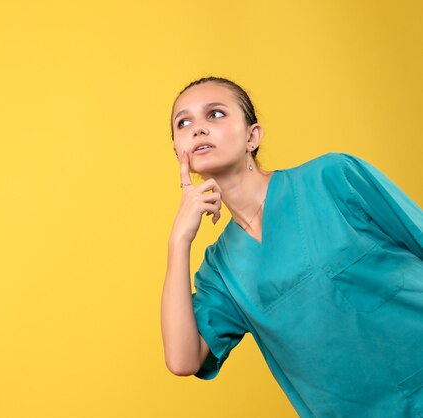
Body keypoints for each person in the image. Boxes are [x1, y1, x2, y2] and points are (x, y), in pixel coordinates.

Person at [160, 76, 423, 417]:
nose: (198, 129)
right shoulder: (221, 270)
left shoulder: (333, 178)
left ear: (252, 136)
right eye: (184, 122)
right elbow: (182, 359)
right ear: (178, 150)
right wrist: (178, 242)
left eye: (216, 114)